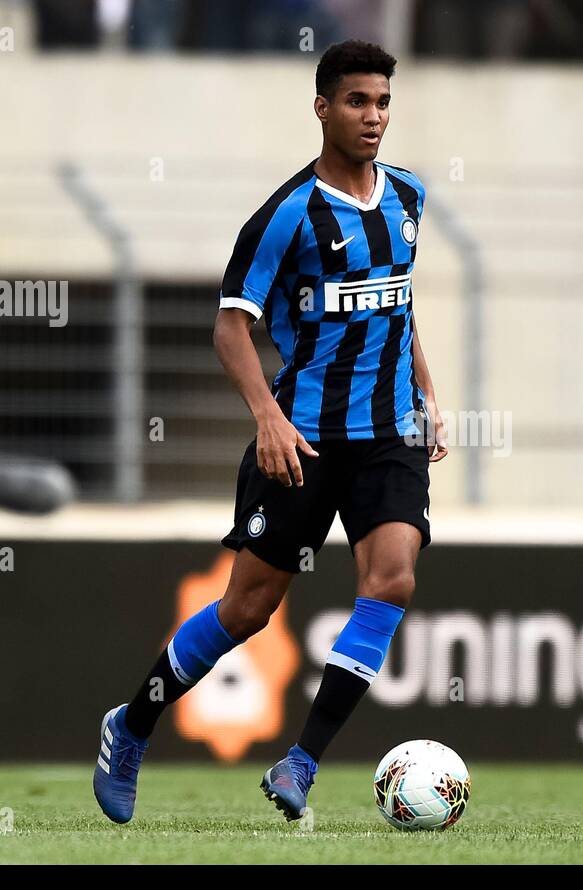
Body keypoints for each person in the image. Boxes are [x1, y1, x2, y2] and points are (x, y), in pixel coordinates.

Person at [94, 39, 447, 824]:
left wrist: (425, 388)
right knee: (247, 610)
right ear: (322, 108)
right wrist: (268, 418)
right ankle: (133, 723)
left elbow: (398, 299)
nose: (373, 116)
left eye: (383, 102)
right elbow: (230, 328)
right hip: (304, 438)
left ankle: (301, 762)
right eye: (357, 101)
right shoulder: (287, 216)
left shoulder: (409, 197)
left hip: (389, 431)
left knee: (392, 578)